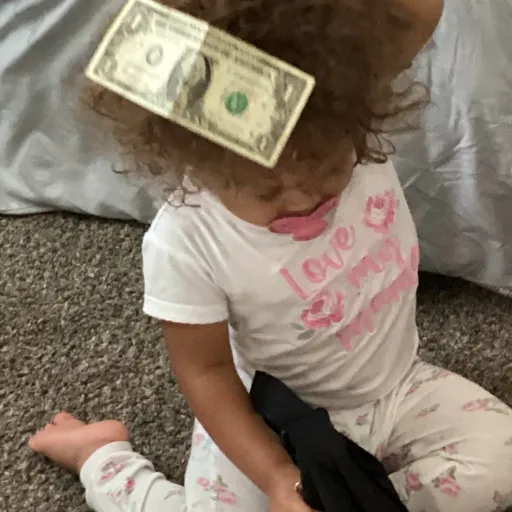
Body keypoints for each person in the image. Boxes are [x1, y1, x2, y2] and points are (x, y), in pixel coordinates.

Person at [29, 0, 512, 511]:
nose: (305, 199)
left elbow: (418, 10)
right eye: (268, 192)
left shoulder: (338, 107)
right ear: (201, 168)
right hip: (274, 422)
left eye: (330, 167)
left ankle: (349, 496)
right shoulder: (185, 243)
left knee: (503, 457)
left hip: (395, 388)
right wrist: (278, 477)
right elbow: (207, 373)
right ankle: (102, 458)